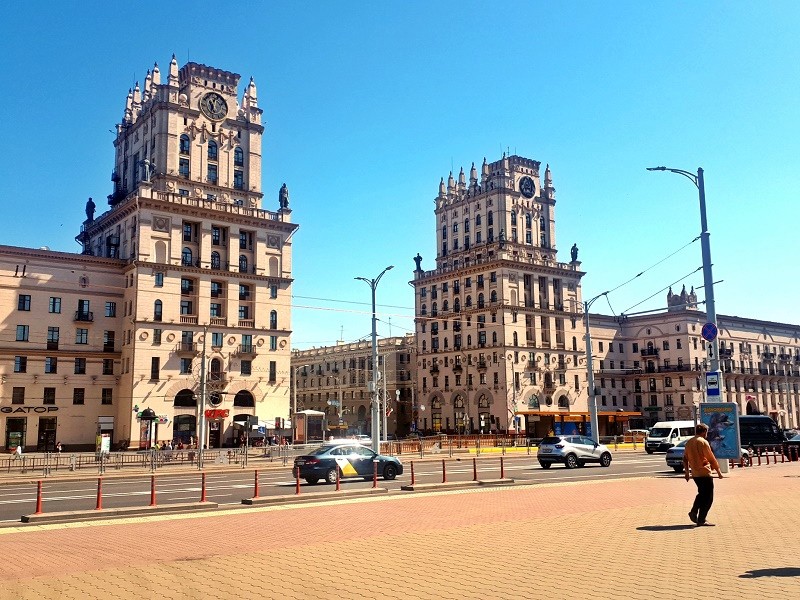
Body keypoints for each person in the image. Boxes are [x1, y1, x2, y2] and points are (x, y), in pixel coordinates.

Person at [683, 422, 723, 527]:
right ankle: (701, 519)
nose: (707, 434)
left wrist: (687, 472)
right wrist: (718, 472)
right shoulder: (703, 442)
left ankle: (694, 511)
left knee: (701, 494)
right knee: (708, 497)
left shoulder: (689, 442)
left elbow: (685, 458)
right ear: (704, 431)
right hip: (705, 473)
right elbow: (711, 458)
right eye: (707, 432)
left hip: (695, 474)